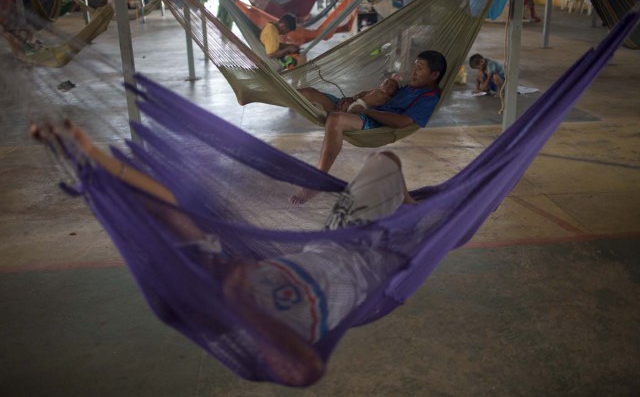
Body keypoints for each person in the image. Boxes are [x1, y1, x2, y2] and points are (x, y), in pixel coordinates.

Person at [31, 120, 416, 386]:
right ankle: (423, 218)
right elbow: (306, 370)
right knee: (414, 202)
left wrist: (89, 156)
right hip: (370, 262)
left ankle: (418, 208)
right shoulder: (267, 337)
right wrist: (238, 297)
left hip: (337, 238)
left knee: (384, 160)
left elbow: (165, 206)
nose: (223, 261)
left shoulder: (213, 267)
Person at [294, 50, 447, 204]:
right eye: (415, 66)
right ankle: (271, 89)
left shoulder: (428, 98)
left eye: (419, 68)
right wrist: (352, 99)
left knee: (336, 119)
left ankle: (319, 179)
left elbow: (402, 122)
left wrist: (366, 110)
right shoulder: (410, 88)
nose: (413, 72)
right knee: (308, 93)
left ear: (434, 75)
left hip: (371, 119)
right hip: (359, 108)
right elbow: (379, 94)